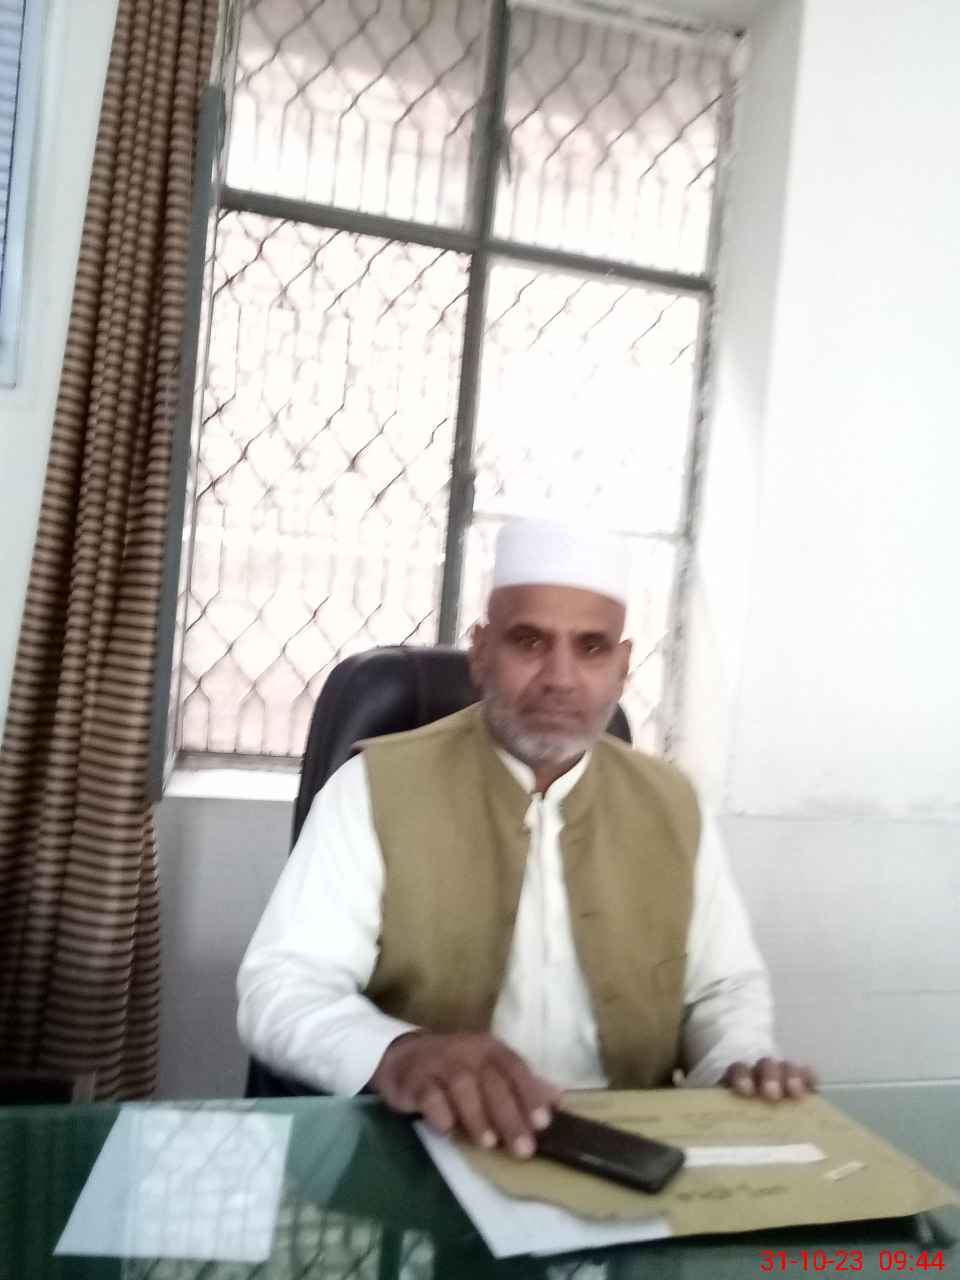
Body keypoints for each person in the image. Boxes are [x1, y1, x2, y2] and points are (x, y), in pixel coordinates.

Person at [237, 518, 815, 1160]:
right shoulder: (371, 787)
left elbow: (722, 989)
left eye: (591, 648)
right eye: (530, 641)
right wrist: (399, 1052)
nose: (560, 678)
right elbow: (282, 986)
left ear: (622, 668)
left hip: (628, 1153)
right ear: (481, 652)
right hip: (426, 1145)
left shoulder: (673, 804)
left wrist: (737, 1060)